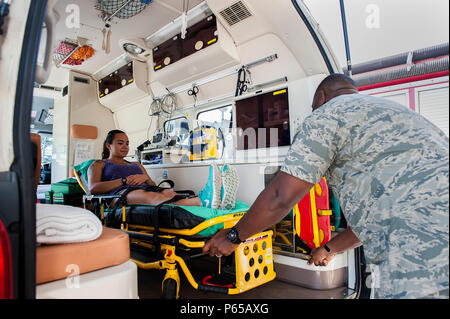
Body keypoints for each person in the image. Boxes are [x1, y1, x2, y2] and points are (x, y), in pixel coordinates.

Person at [203, 74, 449, 299]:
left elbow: (280, 196)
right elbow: (374, 219)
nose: (313, 111)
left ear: (321, 97)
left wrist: (234, 236)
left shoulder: (326, 114)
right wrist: (329, 248)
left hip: (417, 253)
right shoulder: (398, 112)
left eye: (313, 107)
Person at [88, 130, 238, 209]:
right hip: (119, 196)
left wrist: (145, 178)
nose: (125, 147)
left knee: (168, 193)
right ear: (108, 145)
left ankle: (215, 197)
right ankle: (203, 200)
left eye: (127, 143)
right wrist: (124, 181)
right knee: (146, 195)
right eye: (120, 143)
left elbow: (152, 184)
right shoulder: (99, 164)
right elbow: (93, 188)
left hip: (146, 189)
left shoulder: (136, 165)